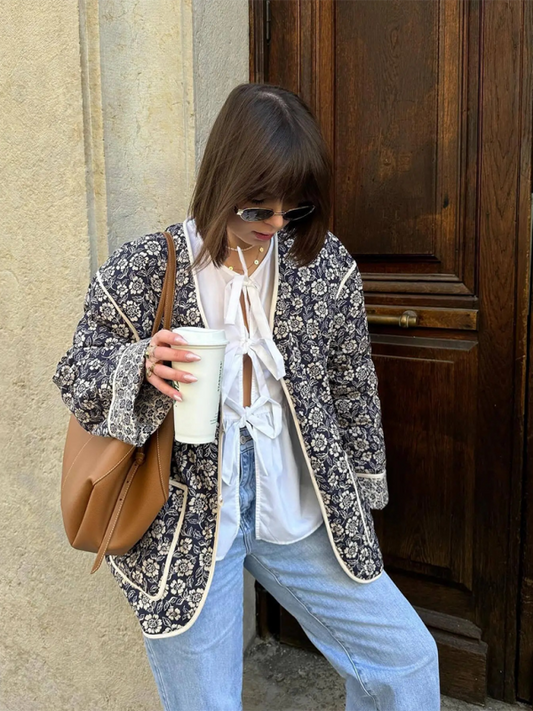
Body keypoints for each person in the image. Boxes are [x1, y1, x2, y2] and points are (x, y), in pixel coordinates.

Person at [52, 82, 440, 710]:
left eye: (297, 208)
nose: (279, 225)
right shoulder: (148, 266)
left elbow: (352, 380)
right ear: (223, 183)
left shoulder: (323, 265)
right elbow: (76, 372)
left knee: (407, 661)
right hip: (189, 518)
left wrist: (363, 493)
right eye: (260, 209)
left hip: (299, 504)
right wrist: (141, 367)